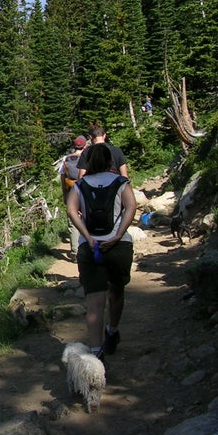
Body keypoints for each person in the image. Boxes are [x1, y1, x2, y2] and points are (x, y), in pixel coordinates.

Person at [66, 143, 137, 364]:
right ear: (109, 161)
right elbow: (131, 207)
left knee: (95, 304)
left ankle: (97, 353)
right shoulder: (121, 183)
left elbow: (71, 210)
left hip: (92, 248)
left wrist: (87, 237)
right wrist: (118, 235)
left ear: (88, 163)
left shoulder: (80, 185)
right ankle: (112, 330)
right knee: (117, 292)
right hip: (118, 246)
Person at [60, 135, 86, 260]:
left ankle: (75, 252)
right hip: (85, 193)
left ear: (74, 146)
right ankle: (89, 247)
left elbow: (62, 178)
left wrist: (65, 195)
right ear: (84, 145)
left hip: (71, 192)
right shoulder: (88, 158)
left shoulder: (66, 159)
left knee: (73, 223)